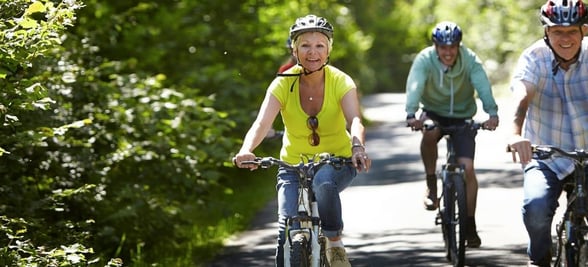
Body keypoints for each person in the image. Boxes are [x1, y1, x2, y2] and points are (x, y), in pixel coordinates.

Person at [233, 14, 371, 267]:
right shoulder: (282, 84)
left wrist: (357, 147)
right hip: (292, 166)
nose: (312, 52)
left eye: (319, 45)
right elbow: (262, 123)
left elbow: (355, 120)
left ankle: (335, 244)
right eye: (305, 45)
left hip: (338, 161)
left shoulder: (341, 81)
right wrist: (246, 150)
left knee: (323, 181)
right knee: (285, 229)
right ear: (294, 49)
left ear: (329, 50)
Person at [405, 21, 499, 248]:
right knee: (429, 132)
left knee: (467, 169)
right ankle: (431, 183)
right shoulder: (425, 59)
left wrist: (492, 113)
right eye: (443, 47)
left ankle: (470, 224)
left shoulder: (470, 60)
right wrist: (411, 113)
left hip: (463, 115)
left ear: (459, 46)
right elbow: (415, 85)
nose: (448, 52)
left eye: (453, 47)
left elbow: (483, 85)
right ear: (436, 47)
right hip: (433, 112)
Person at [507, 0, 588, 265]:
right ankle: (539, 259)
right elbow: (522, 97)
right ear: (546, 33)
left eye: (572, 31)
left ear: (583, 31)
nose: (565, 39)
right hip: (546, 155)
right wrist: (516, 134)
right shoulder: (534, 57)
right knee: (537, 208)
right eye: (557, 32)